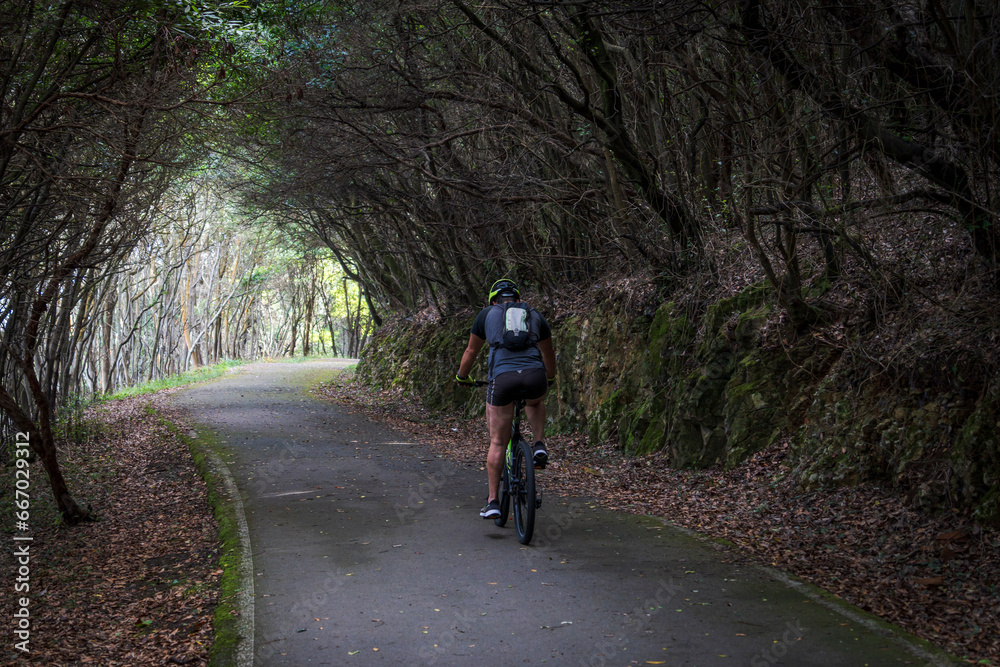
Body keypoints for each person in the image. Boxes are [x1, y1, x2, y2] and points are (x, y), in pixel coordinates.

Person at [455, 278, 556, 519]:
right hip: (534, 376)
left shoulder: (486, 315)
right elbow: (548, 352)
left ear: (493, 300)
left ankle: (492, 502)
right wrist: (549, 378)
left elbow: (471, 351)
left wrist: (462, 376)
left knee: (498, 442)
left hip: (502, 379)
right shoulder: (534, 315)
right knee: (535, 401)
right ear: (518, 300)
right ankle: (539, 444)